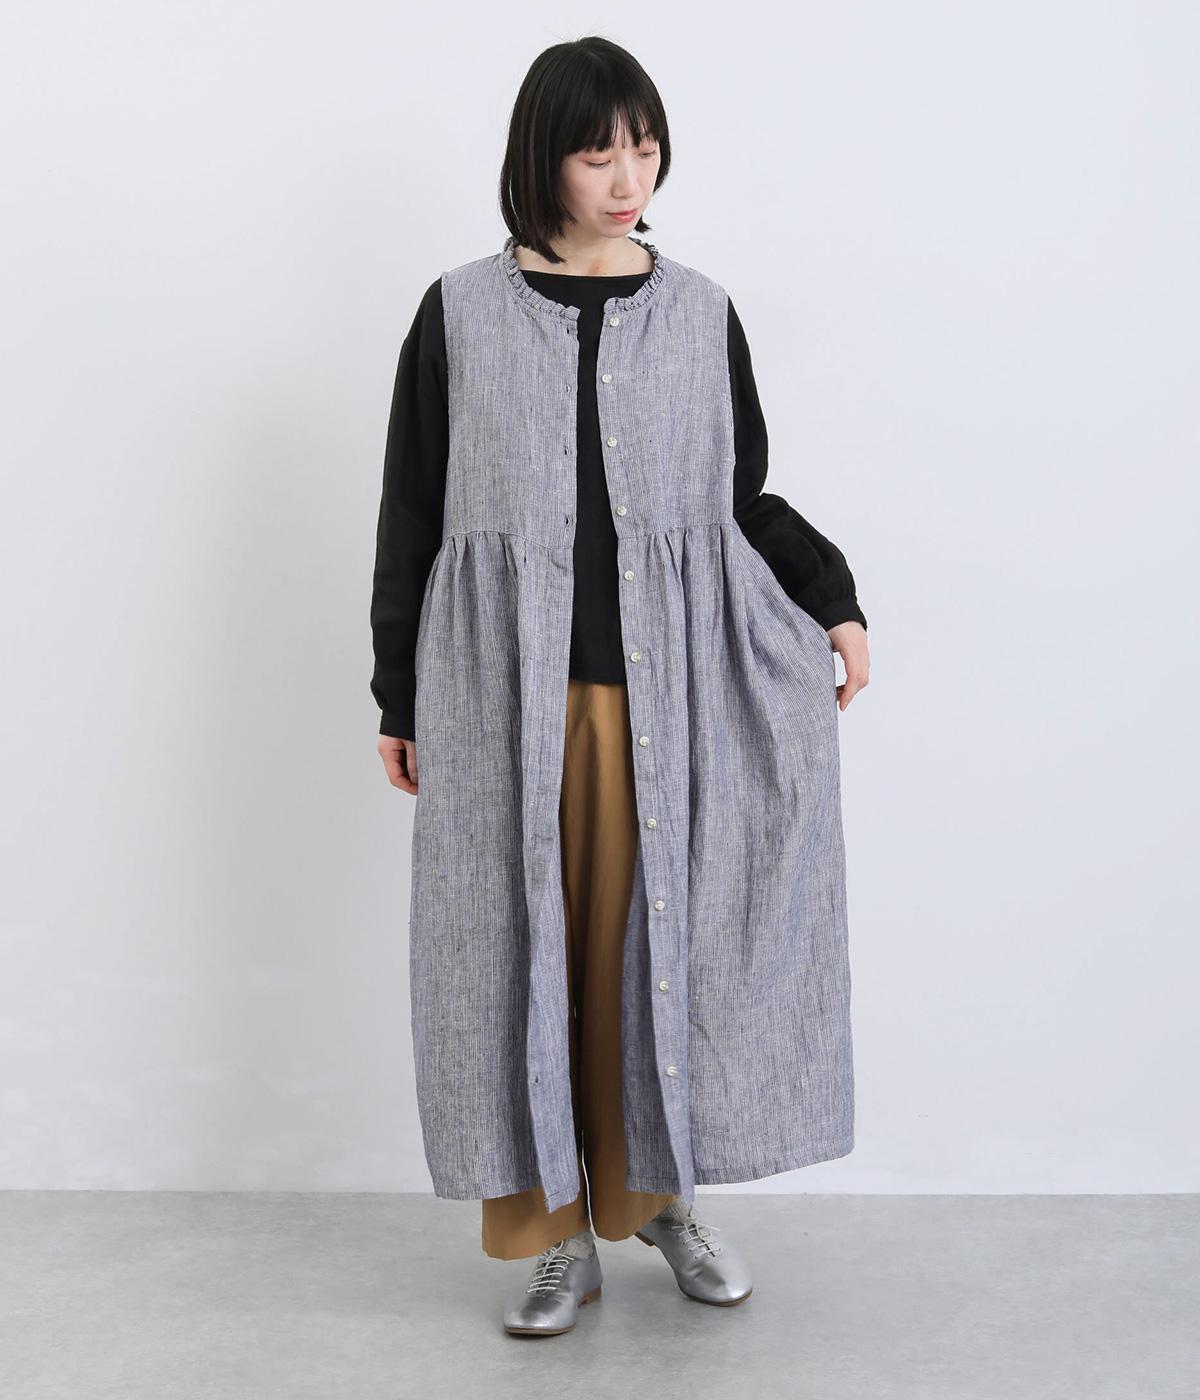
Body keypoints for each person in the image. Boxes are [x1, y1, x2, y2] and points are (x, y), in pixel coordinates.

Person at [370, 36, 869, 1337]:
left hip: (670, 703)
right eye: (599, 152)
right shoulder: (459, 314)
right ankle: (554, 1242)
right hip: (506, 707)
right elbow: (412, 515)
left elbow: (740, 496)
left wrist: (833, 599)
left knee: (654, 960)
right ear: (544, 158)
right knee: (523, 961)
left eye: (644, 148)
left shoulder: (699, 312)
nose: (627, 177)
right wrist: (397, 697)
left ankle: (660, 1204)